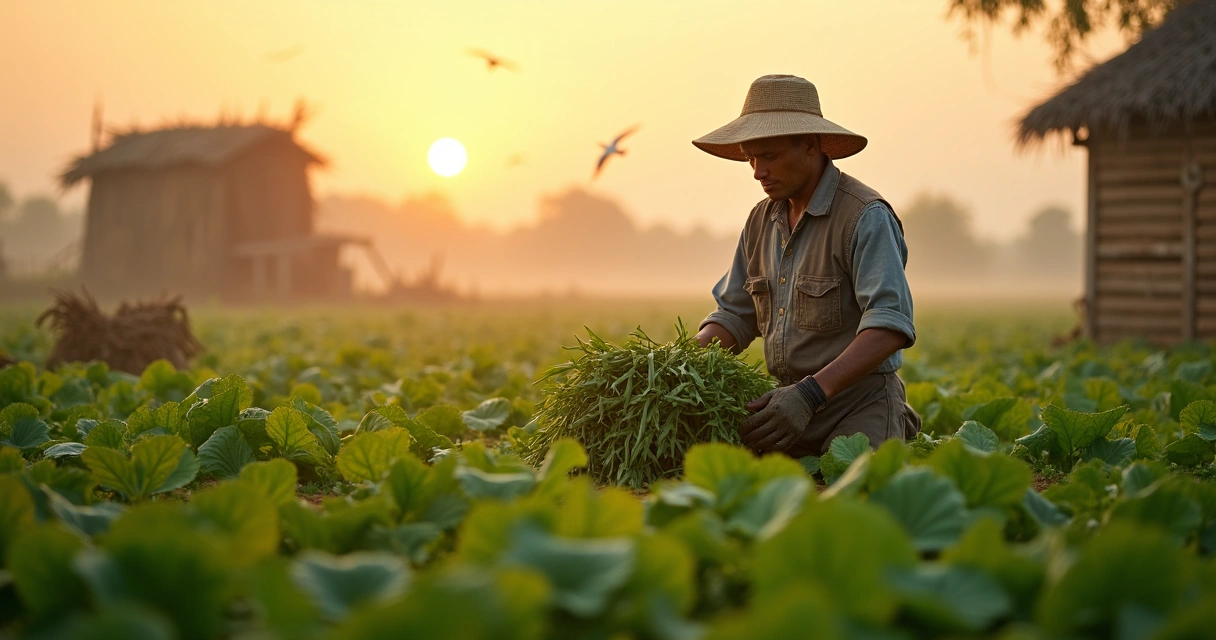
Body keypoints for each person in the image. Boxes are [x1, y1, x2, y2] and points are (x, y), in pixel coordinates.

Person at [692, 74, 921, 457]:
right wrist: (674, 365)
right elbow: (735, 314)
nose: (757, 171)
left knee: (851, 481)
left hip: (856, 404)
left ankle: (896, 421)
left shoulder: (864, 216)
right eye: (751, 157)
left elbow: (889, 325)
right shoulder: (760, 221)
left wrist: (810, 393)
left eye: (770, 156)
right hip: (782, 408)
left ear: (812, 146)